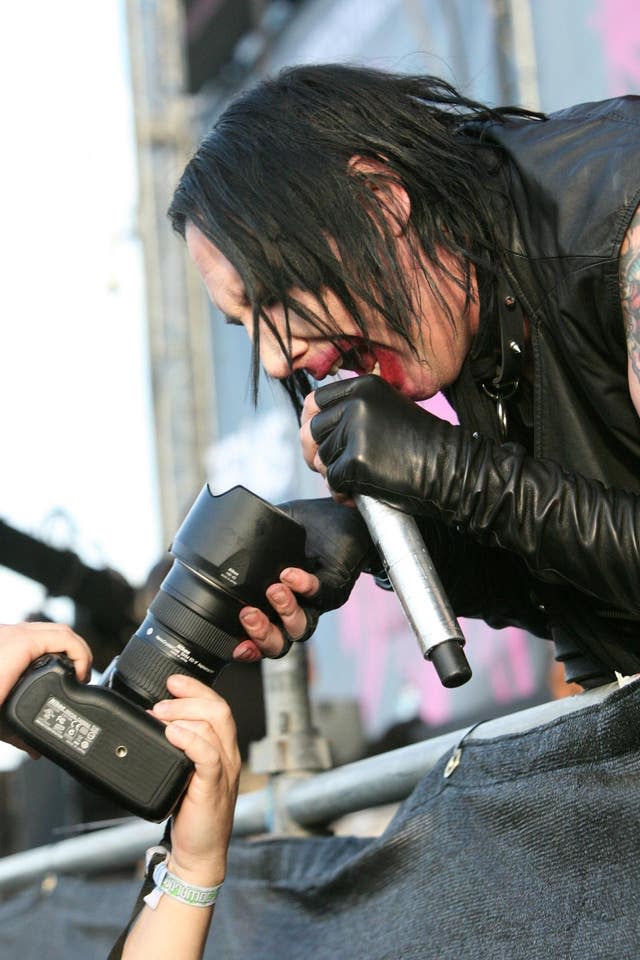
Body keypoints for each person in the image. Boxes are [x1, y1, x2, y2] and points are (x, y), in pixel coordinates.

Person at [115, 62, 640, 956]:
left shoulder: (619, 221)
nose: (278, 363)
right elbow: (595, 602)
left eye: (275, 297)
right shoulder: (470, 309)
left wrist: (455, 475)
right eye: (246, 326)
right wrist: (370, 548)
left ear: (379, 201)